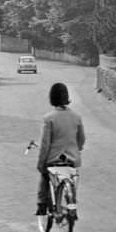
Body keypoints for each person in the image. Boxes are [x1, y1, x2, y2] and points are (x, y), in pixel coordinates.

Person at [35, 82, 86, 216]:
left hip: (54, 160)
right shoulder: (76, 117)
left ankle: (41, 206)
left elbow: (45, 145)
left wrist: (41, 163)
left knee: (44, 177)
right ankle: (71, 205)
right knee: (72, 181)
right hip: (72, 160)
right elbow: (81, 140)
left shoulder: (49, 118)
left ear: (52, 97)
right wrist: (76, 149)